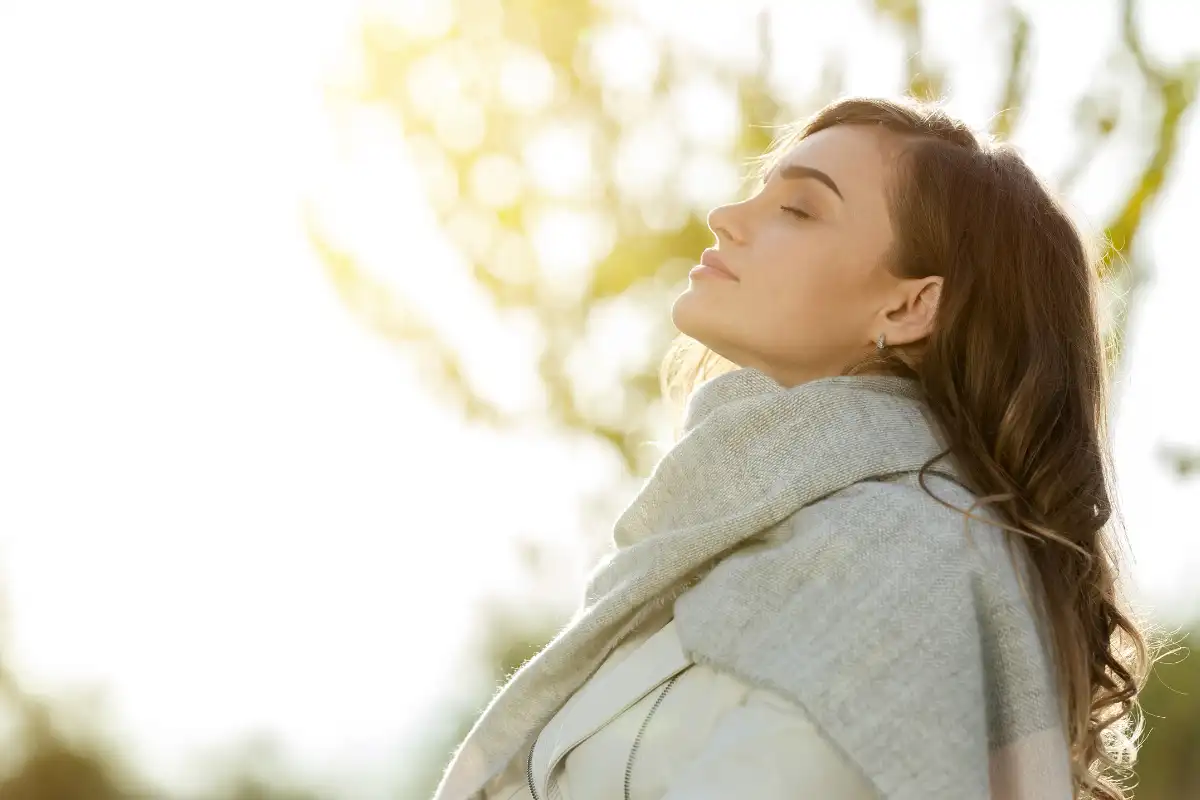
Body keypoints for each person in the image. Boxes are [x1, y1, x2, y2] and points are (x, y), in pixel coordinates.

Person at [431, 96, 1155, 800]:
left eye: (799, 209)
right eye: (762, 192)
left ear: (908, 306)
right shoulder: (740, 539)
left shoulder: (906, 555)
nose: (726, 218)